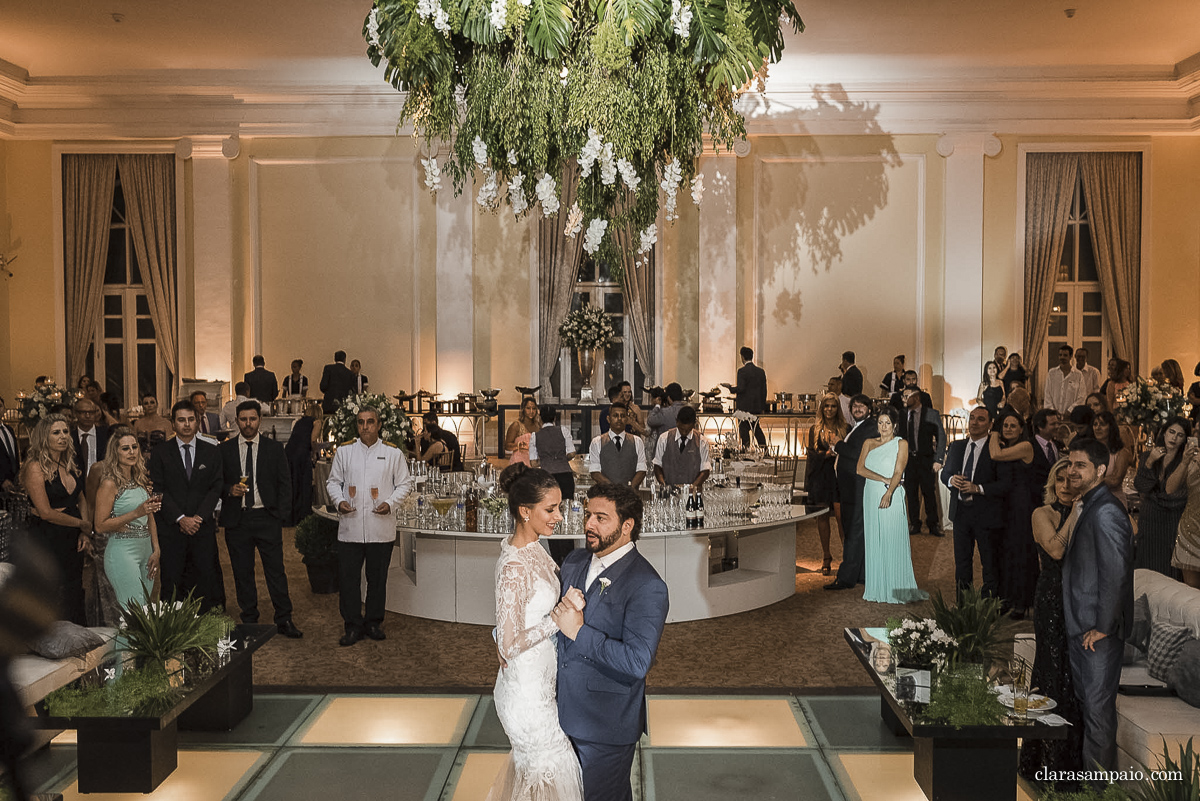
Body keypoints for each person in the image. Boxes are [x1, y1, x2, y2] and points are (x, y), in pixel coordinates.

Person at [550, 483, 669, 801]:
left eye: (601, 518)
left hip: (605, 725)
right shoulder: (575, 561)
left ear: (627, 525)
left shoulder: (646, 585)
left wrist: (579, 631)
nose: (588, 524)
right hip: (560, 714)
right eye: (589, 515)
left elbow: (637, 661)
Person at [486, 464, 584, 801]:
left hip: (541, 683)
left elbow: (508, 625)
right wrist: (558, 617)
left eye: (559, 506)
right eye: (550, 509)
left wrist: (498, 635)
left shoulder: (536, 548)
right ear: (525, 511)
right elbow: (511, 645)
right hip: (526, 696)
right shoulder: (514, 565)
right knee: (553, 768)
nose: (559, 515)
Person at [1062, 437, 1134, 772]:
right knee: (1089, 711)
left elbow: (1116, 573)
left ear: (1101, 470)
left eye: (1081, 465)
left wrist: (1104, 627)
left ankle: (1100, 792)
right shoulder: (1090, 502)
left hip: (1096, 633)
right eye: (1070, 463)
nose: (1071, 471)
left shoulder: (1105, 510)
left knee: (1098, 715)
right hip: (1083, 625)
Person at [1018, 458, 1084, 785]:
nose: (1066, 486)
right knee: (1051, 671)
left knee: (1073, 676)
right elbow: (1056, 551)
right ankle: (1045, 763)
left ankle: (1069, 763)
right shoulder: (1041, 514)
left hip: (1081, 600)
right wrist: (1076, 513)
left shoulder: (1087, 514)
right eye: (1060, 480)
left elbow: (1133, 531)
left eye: (1073, 481)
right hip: (1051, 599)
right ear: (1052, 483)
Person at [326, 406, 413, 646]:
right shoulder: (344, 452)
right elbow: (333, 482)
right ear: (357, 425)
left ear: (379, 425)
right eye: (361, 422)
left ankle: (374, 622)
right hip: (350, 528)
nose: (365, 427)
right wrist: (339, 501)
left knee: (377, 580)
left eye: (370, 422)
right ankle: (352, 625)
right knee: (349, 580)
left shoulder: (392, 453)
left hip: (380, 527)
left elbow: (405, 484)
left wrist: (390, 503)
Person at [220, 401, 302, 638]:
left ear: (260, 420)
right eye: (243, 419)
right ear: (236, 421)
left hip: (267, 518)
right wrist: (228, 489)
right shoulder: (224, 450)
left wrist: (280, 516)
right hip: (238, 520)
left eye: (252, 419)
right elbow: (215, 483)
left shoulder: (274, 449)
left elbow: (285, 484)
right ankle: (249, 620)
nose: (248, 423)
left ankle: (284, 618)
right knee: (242, 572)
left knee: (276, 571)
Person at [148, 400, 224, 611]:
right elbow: (158, 489)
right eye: (181, 420)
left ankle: (204, 630)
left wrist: (198, 518)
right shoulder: (160, 453)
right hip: (172, 529)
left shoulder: (212, 451)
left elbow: (216, 487)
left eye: (191, 419)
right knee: (172, 582)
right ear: (173, 423)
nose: (187, 424)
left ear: (198, 421)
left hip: (202, 528)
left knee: (204, 579)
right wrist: (181, 519)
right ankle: (173, 633)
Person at [21, 414, 91, 623]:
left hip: (72, 537)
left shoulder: (70, 463)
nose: (63, 437)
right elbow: (45, 512)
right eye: (56, 432)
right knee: (50, 591)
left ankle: (78, 639)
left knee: (74, 588)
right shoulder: (35, 467)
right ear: (44, 437)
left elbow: (81, 499)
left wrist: (84, 533)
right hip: (46, 536)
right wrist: (82, 524)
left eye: (65, 432)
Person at [857, 406, 927, 604]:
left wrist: (889, 492)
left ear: (895, 425)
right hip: (871, 493)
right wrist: (881, 479)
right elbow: (860, 469)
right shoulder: (869, 443)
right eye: (880, 422)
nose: (883, 426)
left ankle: (897, 587)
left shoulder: (901, 443)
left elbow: (898, 471)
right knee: (875, 538)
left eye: (887, 423)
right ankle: (877, 586)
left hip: (892, 492)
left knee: (892, 537)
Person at [941, 406, 1011, 598]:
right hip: (961, 513)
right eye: (972, 418)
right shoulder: (957, 446)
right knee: (962, 563)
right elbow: (945, 473)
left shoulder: (997, 450)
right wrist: (950, 480)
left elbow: (1005, 484)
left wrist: (977, 488)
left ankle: (989, 608)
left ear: (990, 425)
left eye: (980, 419)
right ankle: (964, 608)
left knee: (989, 564)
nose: (974, 422)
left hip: (986, 514)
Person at [92, 429, 161, 613]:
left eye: (134, 447)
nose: (131, 452)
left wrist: (156, 549)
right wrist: (136, 513)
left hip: (147, 552)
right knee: (135, 613)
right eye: (125, 448)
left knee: (144, 612)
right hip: (122, 553)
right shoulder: (109, 483)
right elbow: (99, 525)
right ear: (115, 452)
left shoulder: (140, 478)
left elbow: (150, 516)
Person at [987, 410, 1039, 618]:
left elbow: (994, 455)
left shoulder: (1026, 446)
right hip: (1005, 502)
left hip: (1021, 503)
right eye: (1005, 425)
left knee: (1020, 552)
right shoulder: (1006, 445)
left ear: (1021, 429)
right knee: (1004, 552)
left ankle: (1022, 601)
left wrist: (993, 433)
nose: (1008, 429)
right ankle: (1006, 598)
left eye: (1012, 426)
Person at [825, 394, 879, 591]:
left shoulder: (870, 427)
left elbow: (858, 454)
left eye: (861, 406)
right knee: (855, 531)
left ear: (869, 409)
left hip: (859, 487)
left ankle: (846, 578)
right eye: (854, 406)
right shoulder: (856, 428)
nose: (857, 409)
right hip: (849, 486)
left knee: (853, 533)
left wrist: (838, 444)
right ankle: (861, 574)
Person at [1133, 417, 1193, 578]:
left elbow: (1179, 496)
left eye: (1180, 435)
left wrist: (1154, 497)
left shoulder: (1186, 461)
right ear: (1164, 433)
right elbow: (1140, 485)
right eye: (1171, 432)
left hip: (1172, 520)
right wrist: (1150, 462)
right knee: (1146, 566)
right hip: (1149, 520)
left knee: (1168, 569)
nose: (1174, 438)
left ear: (1185, 439)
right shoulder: (1148, 456)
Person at [805, 393, 847, 575]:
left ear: (838, 409)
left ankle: (848, 558)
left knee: (842, 518)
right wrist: (826, 455)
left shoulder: (846, 428)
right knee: (822, 518)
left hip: (839, 478)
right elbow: (811, 457)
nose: (829, 409)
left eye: (833, 406)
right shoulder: (815, 430)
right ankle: (826, 556)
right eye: (826, 406)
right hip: (821, 478)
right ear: (822, 408)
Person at [902, 389, 945, 537]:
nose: (904, 398)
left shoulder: (931, 413)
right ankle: (914, 523)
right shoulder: (902, 414)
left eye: (907, 396)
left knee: (928, 492)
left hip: (926, 458)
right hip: (908, 460)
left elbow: (941, 436)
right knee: (911, 492)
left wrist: (938, 459)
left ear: (917, 397)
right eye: (903, 396)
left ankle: (933, 524)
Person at [589, 402, 648, 489]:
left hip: (630, 496)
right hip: (605, 496)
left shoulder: (637, 441)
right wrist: (614, 489)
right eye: (615, 416)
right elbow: (595, 472)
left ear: (627, 419)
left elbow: (641, 470)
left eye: (623, 416)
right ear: (609, 419)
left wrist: (631, 488)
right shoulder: (597, 442)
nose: (619, 419)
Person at [652, 405, 710, 492]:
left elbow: (705, 470)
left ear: (694, 424)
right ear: (677, 422)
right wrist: (663, 484)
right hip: (669, 492)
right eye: (682, 429)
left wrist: (692, 487)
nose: (684, 432)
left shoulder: (702, 441)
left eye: (688, 430)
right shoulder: (664, 438)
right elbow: (657, 465)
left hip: (692, 494)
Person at [721, 346, 768, 447]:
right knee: (757, 430)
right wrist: (762, 407)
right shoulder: (761, 372)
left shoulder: (742, 371)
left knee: (744, 432)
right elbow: (764, 391)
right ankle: (765, 451)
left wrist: (730, 387)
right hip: (756, 408)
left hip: (744, 408)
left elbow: (741, 388)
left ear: (742, 357)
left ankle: (746, 453)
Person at [284, 402, 319, 526]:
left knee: (293, 485)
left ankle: (290, 517)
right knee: (304, 486)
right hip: (302, 455)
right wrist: (315, 454)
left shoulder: (299, 421)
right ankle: (303, 517)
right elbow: (313, 440)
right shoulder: (317, 422)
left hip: (289, 453)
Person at [1171, 446, 1200, 588]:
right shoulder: (1191, 461)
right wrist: (1184, 462)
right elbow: (1170, 488)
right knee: (1191, 592)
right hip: (1190, 530)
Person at [1091, 411, 1133, 507]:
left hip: (1114, 501)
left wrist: (1092, 481)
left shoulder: (1121, 452)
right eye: (1095, 424)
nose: (1098, 428)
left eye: (1102, 424)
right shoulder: (1089, 451)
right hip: (1093, 500)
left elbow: (1115, 480)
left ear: (1111, 427)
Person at [1029, 408, 1063, 504]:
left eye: (1057, 423)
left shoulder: (1059, 445)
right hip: (1034, 500)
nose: (1057, 426)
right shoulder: (1029, 446)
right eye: (1053, 424)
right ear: (1040, 426)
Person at [72, 397, 110, 479]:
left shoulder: (106, 434)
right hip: (76, 484)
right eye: (83, 412)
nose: (87, 416)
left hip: (102, 482)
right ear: (76, 414)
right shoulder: (69, 436)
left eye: (91, 412)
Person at [1044, 344, 1087, 414]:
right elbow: (1047, 395)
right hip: (1054, 415)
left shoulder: (1078, 375)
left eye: (1065, 355)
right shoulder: (1052, 373)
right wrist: (1053, 411)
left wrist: (1070, 410)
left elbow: (1082, 397)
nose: (1062, 357)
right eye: (1060, 355)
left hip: (1072, 415)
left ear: (1071, 357)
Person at [646, 383, 682, 453]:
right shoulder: (688, 410)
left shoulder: (665, 412)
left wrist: (657, 406)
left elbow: (650, 421)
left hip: (666, 451)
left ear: (668, 397)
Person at [505, 396, 540, 466]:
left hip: (535, 462)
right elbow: (506, 446)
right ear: (523, 409)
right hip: (519, 463)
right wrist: (518, 445)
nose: (531, 411)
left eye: (534, 409)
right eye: (528, 408)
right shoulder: (516, 425)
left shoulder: (538, 425)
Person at [0, 395, 19, 491]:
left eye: (0, 406)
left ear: (4, 409)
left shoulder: (9, 429)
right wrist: (1, 480)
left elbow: (14, 454)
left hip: (13, 481)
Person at [838, 351, 863, 423]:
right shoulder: (856, 371)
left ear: (845, 360)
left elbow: (846, 389)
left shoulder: (849, 373)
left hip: (849, 401)